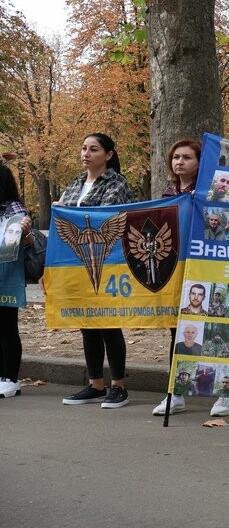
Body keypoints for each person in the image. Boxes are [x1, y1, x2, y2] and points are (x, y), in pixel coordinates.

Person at [58, 133, 135, 408]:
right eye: (83, 148)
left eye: (93, 149)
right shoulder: (76, 183)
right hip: (77, 262)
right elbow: (62, 214)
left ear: (109, 155)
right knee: (87, 322)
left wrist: (65, 211)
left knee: (108, 322)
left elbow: (106, 217)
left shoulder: (116, 183)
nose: (86, 153)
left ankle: (119, 386)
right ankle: (95, 384)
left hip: (108, 261)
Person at [0, 163, 33, 399]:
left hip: (6, 277)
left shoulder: (15, 210)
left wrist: (26, 231)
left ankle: (10, 378)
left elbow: (20, 243)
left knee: (7, 328)